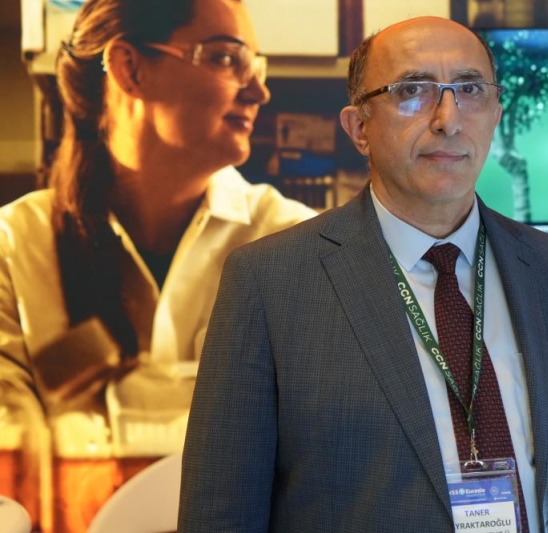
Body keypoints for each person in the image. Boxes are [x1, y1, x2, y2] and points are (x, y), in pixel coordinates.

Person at [179, 16, 548, 533]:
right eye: (413, 90)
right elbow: (220, 512)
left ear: (496, 115)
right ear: (359, 128)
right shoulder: (270, 281)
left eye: (470, 90)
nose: (448, 119)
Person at [0, 0, 316, 529]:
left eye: (254, 66)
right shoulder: (13, 250)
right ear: (130, 68)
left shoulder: (299, 246)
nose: (259, 91)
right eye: (225, 58)